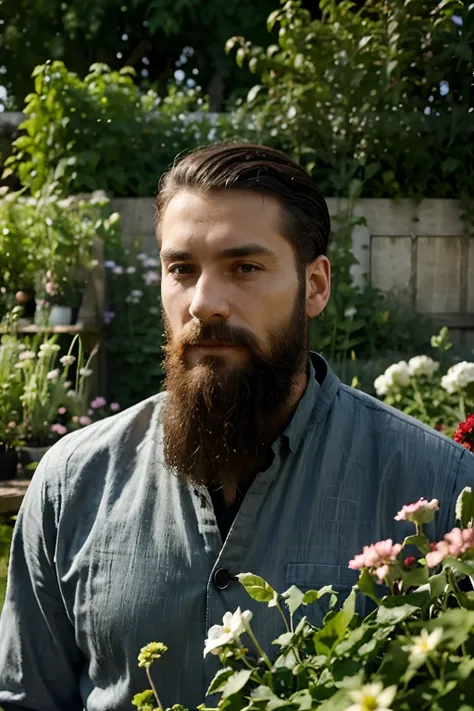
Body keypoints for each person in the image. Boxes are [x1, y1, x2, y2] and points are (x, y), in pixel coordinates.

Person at [0, 142, 473, 711]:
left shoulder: (440, 488)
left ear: (316, 285)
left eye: (244, 267)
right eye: (181, 269)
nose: (204, 303)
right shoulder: (71, 484)